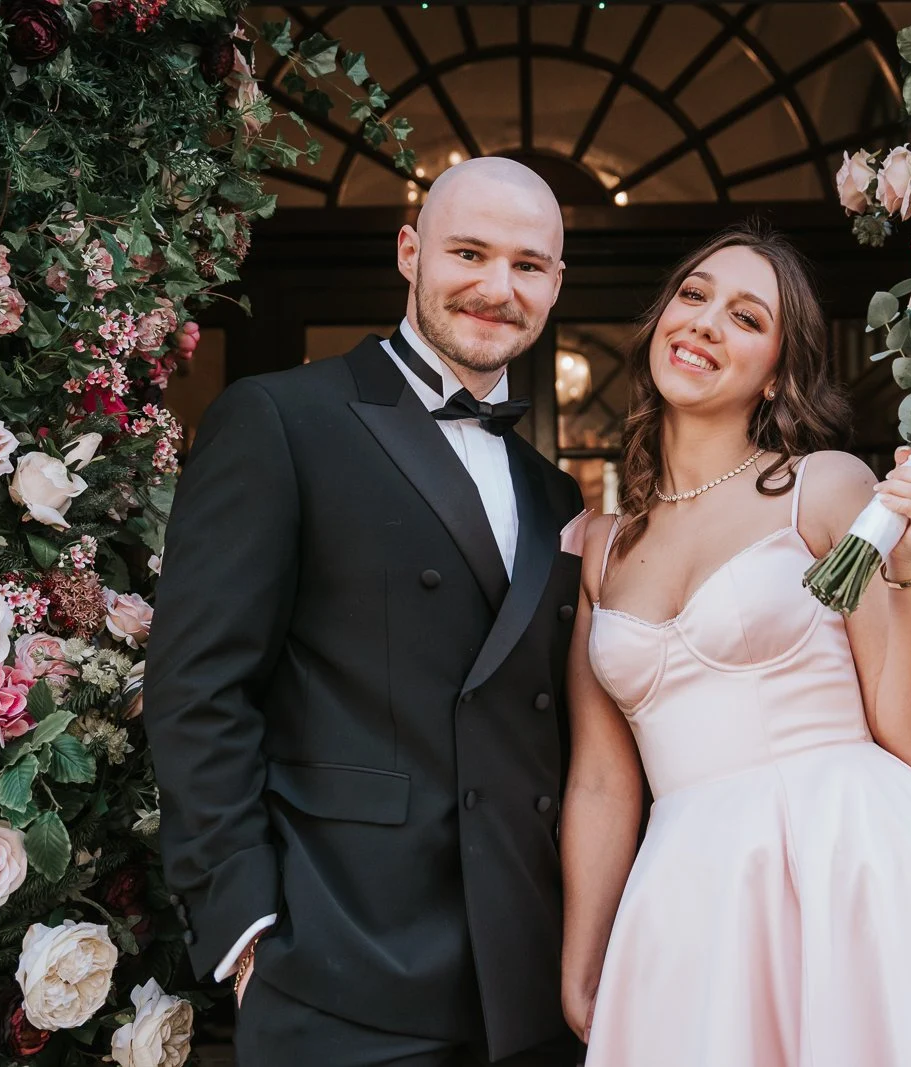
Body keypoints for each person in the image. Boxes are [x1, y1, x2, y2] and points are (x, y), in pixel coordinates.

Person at [559, 225, 911, 1067]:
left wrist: (907, 567)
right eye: (692, 296)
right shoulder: (601, 544)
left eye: (745, 316)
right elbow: (598, 778)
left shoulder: (828, 487)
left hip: (845, 857)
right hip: (689, 889)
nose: (703, 323)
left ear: (777, 373)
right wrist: (583, 961)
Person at [142, 157, 586, 1067]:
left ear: (555, 285)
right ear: (409, 252)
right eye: (469, 252)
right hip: (338, 964)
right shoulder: (280, 419)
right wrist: (243, 922)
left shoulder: (556, 493)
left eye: (528, 265)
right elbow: (198, 687)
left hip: (525, 974)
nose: (497, 288)